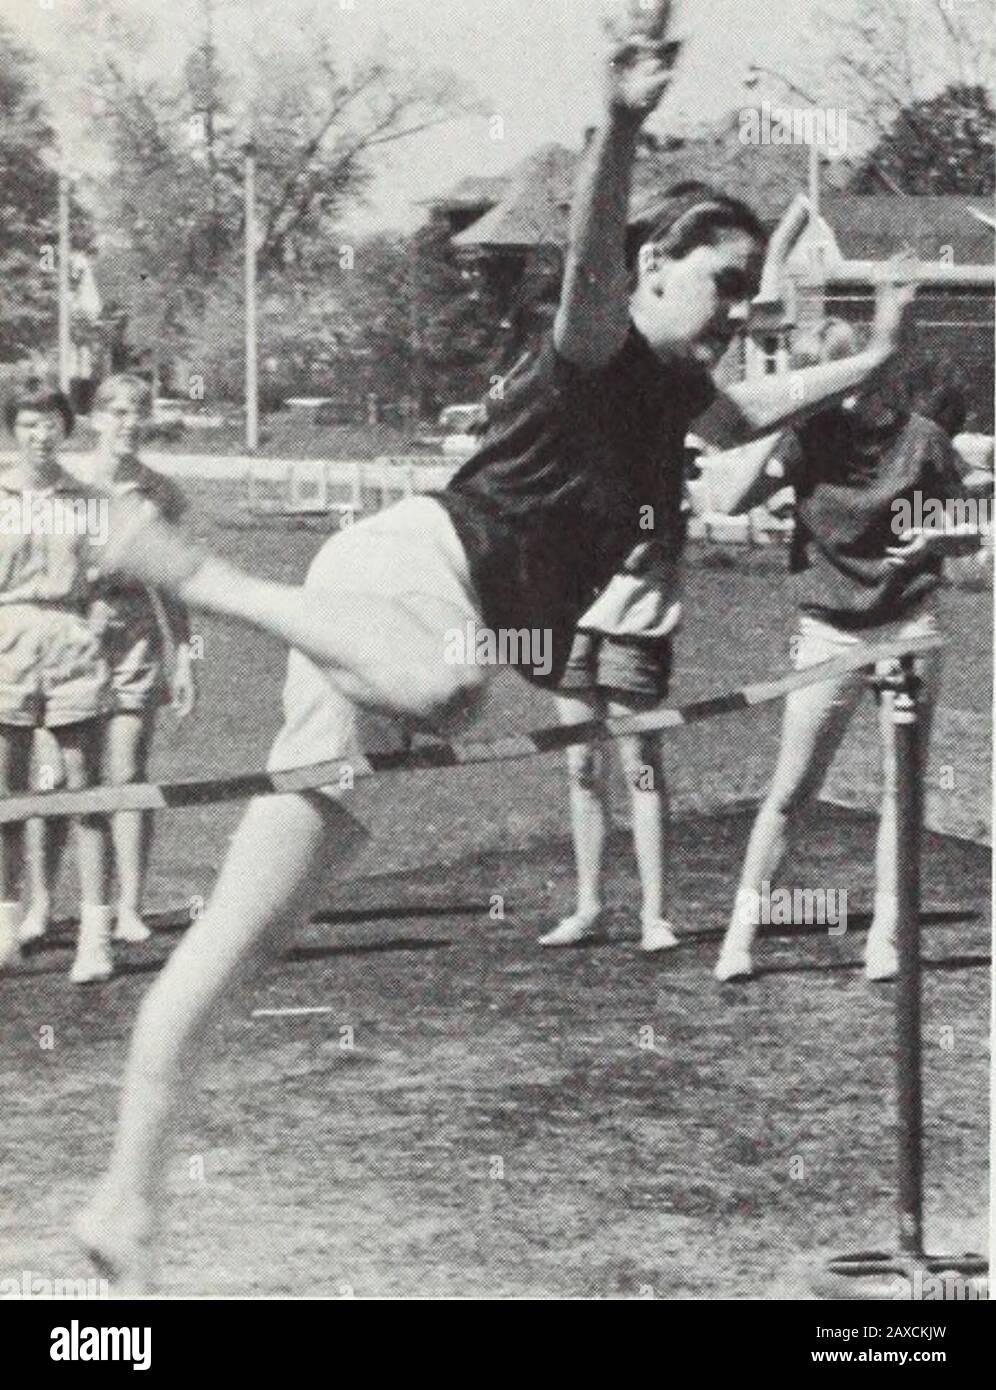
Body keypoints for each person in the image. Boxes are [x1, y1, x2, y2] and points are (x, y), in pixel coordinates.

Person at [73, 1, 915, 1287]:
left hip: (400, 636)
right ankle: (204, 576)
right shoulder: (599, 348)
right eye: (723, 284)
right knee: (460, 685)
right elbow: (590, 253)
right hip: (407, 574)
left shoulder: (684, 390)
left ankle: (123, 1207)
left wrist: (872, 358)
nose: (739, 310)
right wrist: (621, 123)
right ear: (651, 275)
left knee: (240, 950)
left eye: (751, 292)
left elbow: (750, 408)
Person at [713, 321, 980, 983]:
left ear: (878, 373)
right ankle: (741, 936)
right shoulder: (809, 439)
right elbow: (726, 497)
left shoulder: (923, 440)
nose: (849, 399)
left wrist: (934, 543)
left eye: (856, 380)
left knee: (903, 792)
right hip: (830, 632)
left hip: (910, 626)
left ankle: (886, 939)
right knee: (793, 789)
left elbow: (972, 523)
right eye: (825, 387)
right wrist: (784, 420)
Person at [19, 375, 197, 948]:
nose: (128, 423)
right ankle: (40, 902)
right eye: (116, 412)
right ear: (95, 419)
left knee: (126, 775)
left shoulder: (160, 493)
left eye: (138, 412)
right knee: (54, 780)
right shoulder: (69, 485)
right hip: (70, 639)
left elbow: (172, 582)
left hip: (135, 641)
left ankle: (128, 906)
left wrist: (185, 657)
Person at [0, 381, 113, 983]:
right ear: (12, 429)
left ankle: (95, 937)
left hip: (70, 643)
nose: (40, 436)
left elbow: (110, 578)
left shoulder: (87, 499)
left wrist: (91, 624)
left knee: (85, 793)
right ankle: (6, 929)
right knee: (6, 795)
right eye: (27, 424)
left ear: (66, 430)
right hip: (6, 640)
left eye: (50, 424)